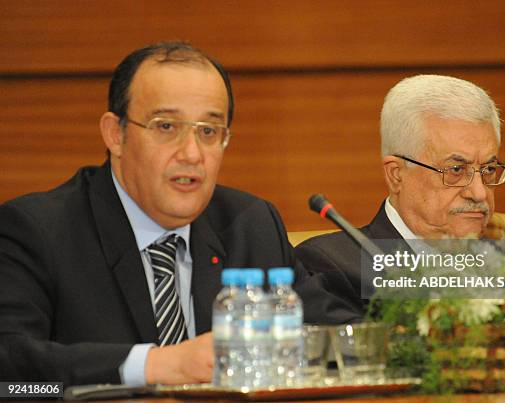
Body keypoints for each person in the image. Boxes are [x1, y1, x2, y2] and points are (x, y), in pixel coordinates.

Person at [0, 41, 359, 387]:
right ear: (115, 134)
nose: (191, 153)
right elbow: (10, 379)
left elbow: (335, 342)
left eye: (208, 131)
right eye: (166, 126)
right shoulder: (37, 231)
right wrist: (157, 364)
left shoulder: (250, 224)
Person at [295, 75, 505, 362]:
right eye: (455, 170)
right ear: (396, 174)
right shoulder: (332, 264)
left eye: (488, 170)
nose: (478, 192)